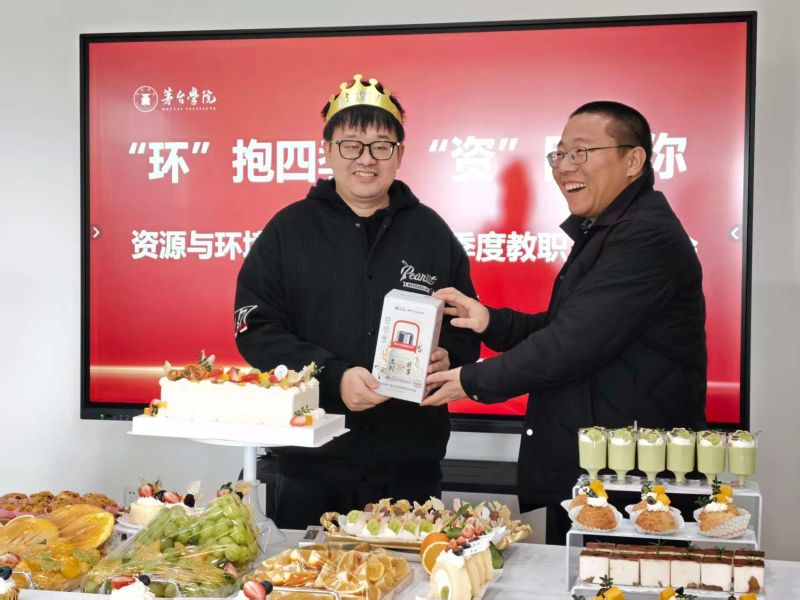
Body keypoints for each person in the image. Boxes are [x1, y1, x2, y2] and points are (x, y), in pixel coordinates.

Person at [423, 101, 707, 544]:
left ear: (633, 160)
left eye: (581, 152)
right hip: (597, 475)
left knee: (615, 580)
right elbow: (567, 327)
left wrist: (471, 380)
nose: (565, 166)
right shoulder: (608, 229)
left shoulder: (645, 236)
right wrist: (489, 322)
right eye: (559, 154)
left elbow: (573, 343)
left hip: (631, 486)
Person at [234, 74, 480, 529]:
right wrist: (334, 376)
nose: (366, 159)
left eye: (381, 146)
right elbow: (257, 329)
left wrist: (449, 355)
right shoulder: (288, 231)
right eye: (351, 145)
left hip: (409, 461)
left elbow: (466, 329)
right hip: (311, 458)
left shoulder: (431, 232)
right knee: (304, 571)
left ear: (399, 154)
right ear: (328, 150)